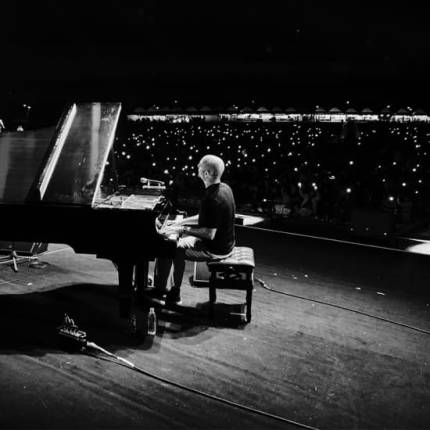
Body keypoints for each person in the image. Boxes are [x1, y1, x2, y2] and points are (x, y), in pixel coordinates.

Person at [154, 154, 236, 304]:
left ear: (206, 173)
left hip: (215, 249)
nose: (197, 168)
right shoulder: (224, 188)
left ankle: (173, 292)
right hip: (225, 243)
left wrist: (182, 230)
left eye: (199, 166)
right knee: (170, 243)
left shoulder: (212, 198)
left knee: (172, 248)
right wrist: (179, 223)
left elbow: (209, 234)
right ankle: (160, 287)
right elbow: (204, 218)